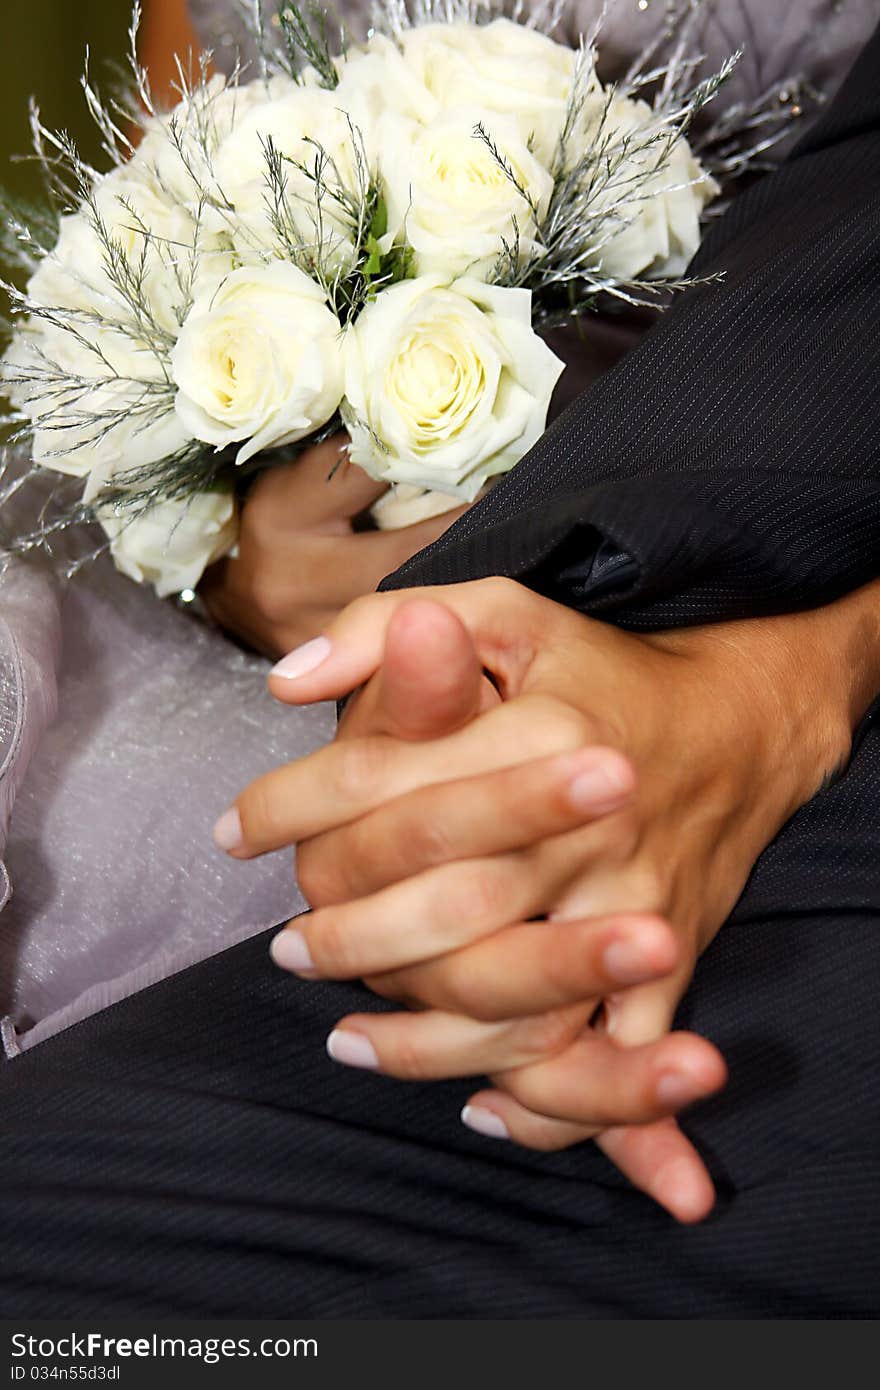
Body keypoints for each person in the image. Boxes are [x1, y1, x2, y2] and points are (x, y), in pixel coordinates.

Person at [0, 12, 878, 1317]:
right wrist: (221, 510)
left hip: (726, 506)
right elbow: (182, 162)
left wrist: (781, 682)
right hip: (291, 569)